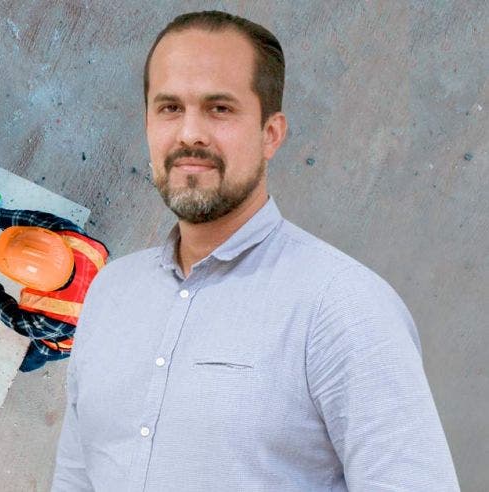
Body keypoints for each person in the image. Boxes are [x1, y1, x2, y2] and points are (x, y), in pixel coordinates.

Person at [52, 11, 459, 490]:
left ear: (271, 134)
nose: (189, 134)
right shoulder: (112, 291)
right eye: (169, 108)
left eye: (219, 108)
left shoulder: (343, 307)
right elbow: (75, 478)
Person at [0, 206, 108, 372]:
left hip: (69, 339)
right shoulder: (69, 236)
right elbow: (32, 219)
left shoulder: (55, 318)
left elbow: (13, 317)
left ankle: (25, 366)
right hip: (105, 303)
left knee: (34, 356)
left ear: (31, 283)